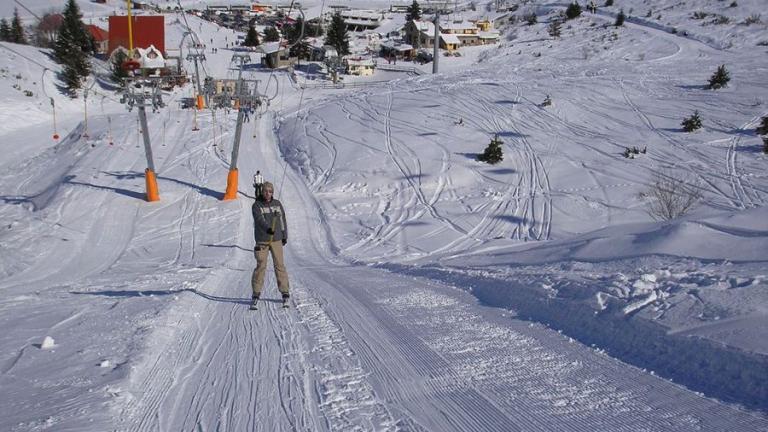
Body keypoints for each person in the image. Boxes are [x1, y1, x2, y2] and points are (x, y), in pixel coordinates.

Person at [250, 181, 290, 308]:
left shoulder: (277, 204)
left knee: (279, 265)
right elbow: (259, 219)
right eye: (266, 191)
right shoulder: (257, 205)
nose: (268, 194)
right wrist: (267, 228)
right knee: (261, 265)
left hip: (276, 239)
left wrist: (284, 235)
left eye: (271, 191)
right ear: (262, 191)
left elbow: (282, 220)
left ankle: (285, 292)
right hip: (262, 240)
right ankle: (256, 293)